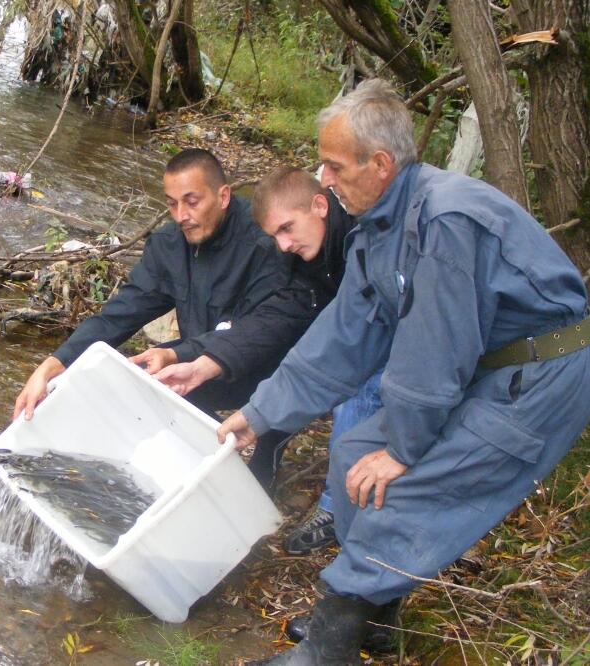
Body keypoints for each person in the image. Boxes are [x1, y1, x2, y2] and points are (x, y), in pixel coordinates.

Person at [217, 79, 590, 665]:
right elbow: (341, 340)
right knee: (355, 449)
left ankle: (326, 649)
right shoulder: (382, 227)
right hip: (488, 369)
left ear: (381, 164)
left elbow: (433, 356)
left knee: (397, 483)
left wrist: (405, 447)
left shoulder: (445, 222)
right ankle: (375, 617)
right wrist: (259, 415)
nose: (326, 180)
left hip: (540, 377)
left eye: (335, 168)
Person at [12, 148, 287, 479]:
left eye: (192, 201)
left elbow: (256, 332)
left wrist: (173, 354)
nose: (181, 214)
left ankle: (265, 465)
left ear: (224, 196)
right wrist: (53, 365)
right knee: (142, 387)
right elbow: (119, 315)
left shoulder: (264, 244)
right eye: (171, 203)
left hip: (265, 369)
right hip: (196, 357)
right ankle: (184, 469)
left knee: (261, 466)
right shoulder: (171, 244)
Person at [154, 166, 369, 511]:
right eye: (275, 236)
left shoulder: (365, 237)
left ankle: (333, 510)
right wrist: (205, 363)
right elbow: (274, 318)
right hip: (323, 342)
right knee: (281, 364)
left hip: (378, 348)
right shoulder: (294, 258)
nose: (284, 244)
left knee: (357, 408)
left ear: (319, 205)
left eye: (287, 229)